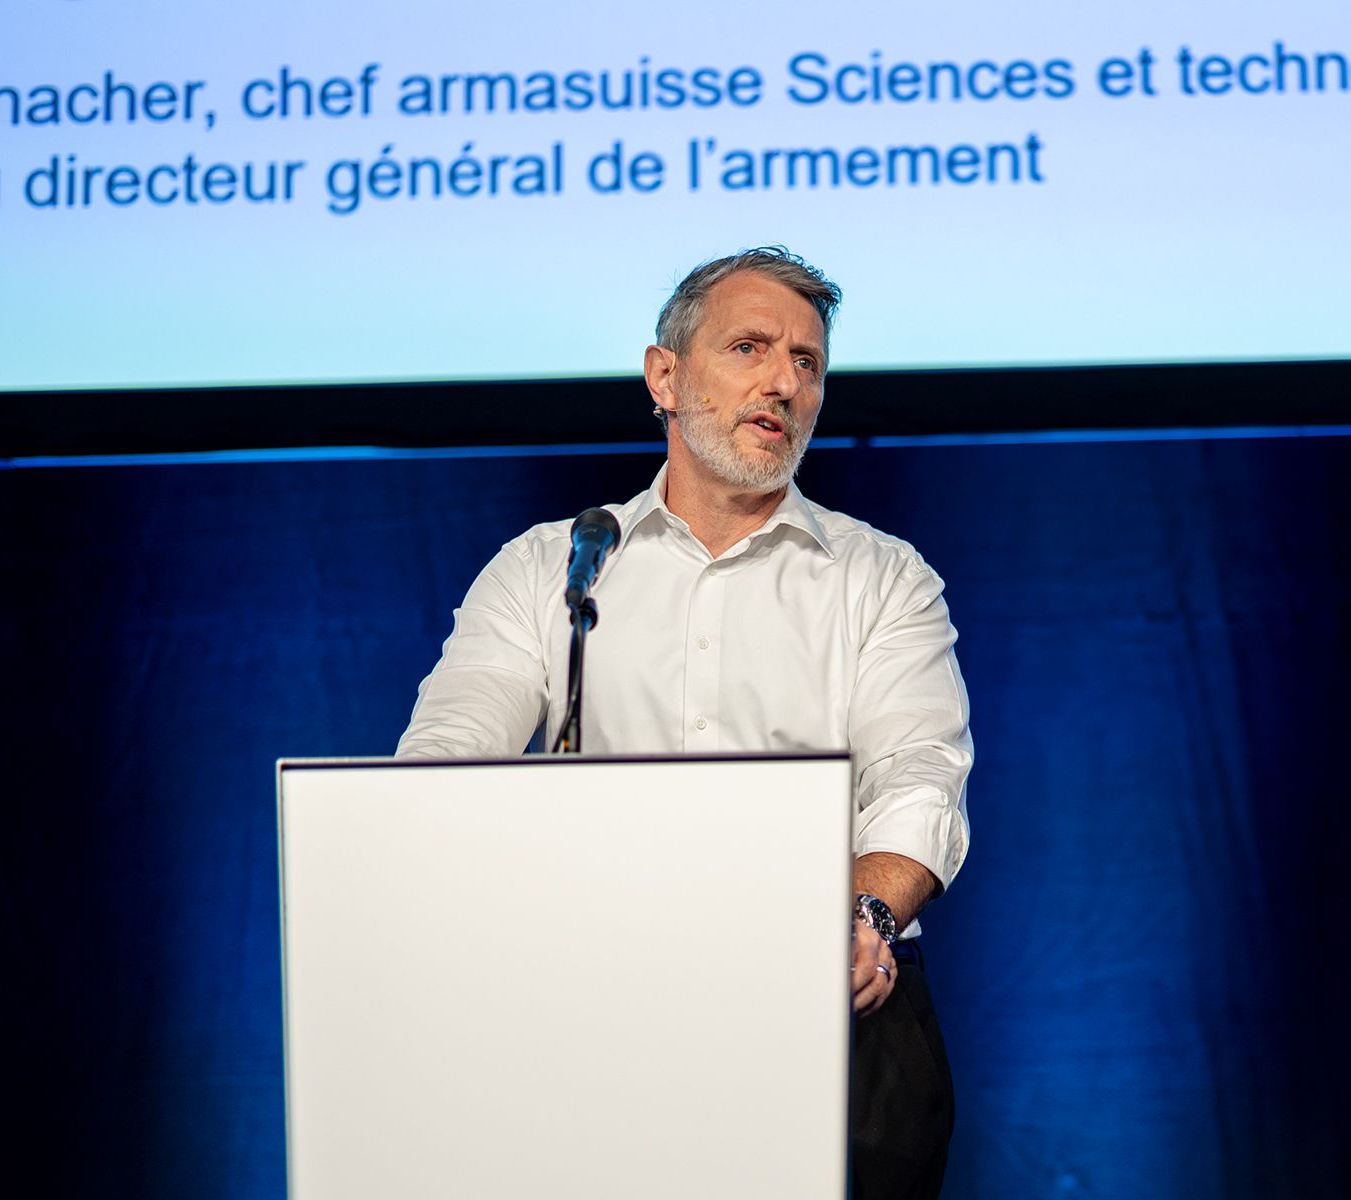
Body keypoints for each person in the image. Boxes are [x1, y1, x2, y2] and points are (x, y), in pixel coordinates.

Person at [397, 246, 970, 1197]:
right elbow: (445, 765)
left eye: (808, 362)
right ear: (664, 376)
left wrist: (862, 918)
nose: (783, 381)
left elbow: (919, 778)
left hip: (830, 1012)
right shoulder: (553, 569)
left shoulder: (883, 579)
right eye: (749, 347)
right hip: (587, 1009)